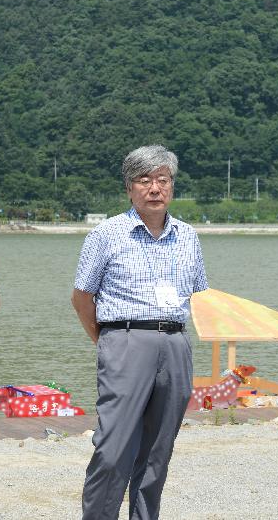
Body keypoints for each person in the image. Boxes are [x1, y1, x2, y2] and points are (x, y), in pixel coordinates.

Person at [71, 145, 208, 520]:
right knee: (113, 447)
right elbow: (82, 296)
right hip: (125, 339)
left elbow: (197, 293)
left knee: (158, 451)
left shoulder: (188, 236)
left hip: (176, 342)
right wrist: (106, 339)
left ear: (172, 187)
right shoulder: (107, 234)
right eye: (144, 181)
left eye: (162, 180)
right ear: (129, 188)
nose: (154, 188)